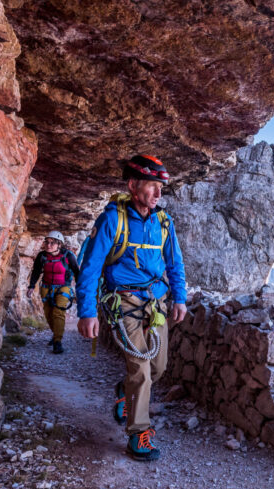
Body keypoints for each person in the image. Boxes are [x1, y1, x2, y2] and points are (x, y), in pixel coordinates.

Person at [76, 154, 187, 462]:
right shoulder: (113, 219)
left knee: (158, 367)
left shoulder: (163, 222)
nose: (158, 194)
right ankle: (138, 434)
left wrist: (180, 297)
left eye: (161, 188)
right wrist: (86, 312)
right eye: (153, 187)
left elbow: (175, 263)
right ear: (133, 185)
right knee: (140, 367)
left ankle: (125, 390)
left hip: (155, 303)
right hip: (123, 302)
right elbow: (91, 267)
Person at [27, 231, 80, 354]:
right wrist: (31, 286)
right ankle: (56, 333)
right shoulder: (42, 256)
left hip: (63, 287)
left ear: (59, 244)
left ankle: (57, 342)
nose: (49, 245)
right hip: (46, 287)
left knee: (58, 312)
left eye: (52, 243)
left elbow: (77, 272)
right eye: (47, 242)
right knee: (48, 313)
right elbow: (36, 272)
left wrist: (80, 289)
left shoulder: (68, 256)